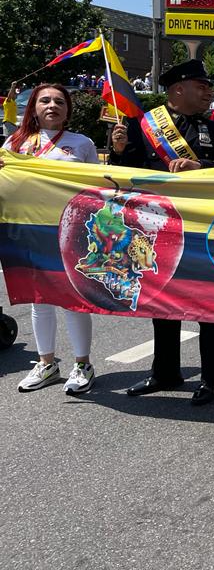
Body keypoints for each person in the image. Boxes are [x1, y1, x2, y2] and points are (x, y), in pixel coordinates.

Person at [109, 60, 214, 405]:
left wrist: (202, 166)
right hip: (157, 227)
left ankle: (212, 377)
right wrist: (119, 153)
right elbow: (124, 179)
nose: (209, 91)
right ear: (178, 89)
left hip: (202, 227)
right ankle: (165, 371)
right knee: (161, 300)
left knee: (208, 303)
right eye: (202, 85)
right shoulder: (140, 126)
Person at [2, 84, 99, 394]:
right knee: (38, 300)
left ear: (68, 110)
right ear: (33, 107)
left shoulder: (82, 144)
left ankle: (82, 364)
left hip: (69, 232)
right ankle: (46, 364)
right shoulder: (15, 143)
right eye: (45, 100)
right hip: (29, 231)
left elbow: (96, 190)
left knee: (73, 300)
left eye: (59, 101)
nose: (52, 105)